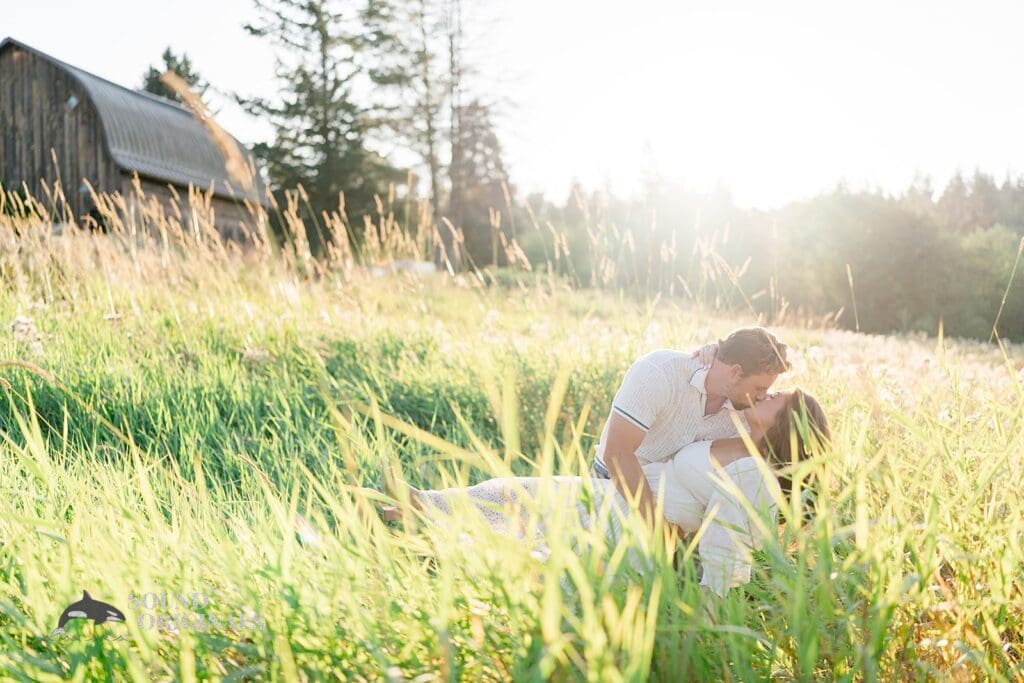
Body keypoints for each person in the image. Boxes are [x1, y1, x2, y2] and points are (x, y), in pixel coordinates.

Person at [386, 389, 830, 598]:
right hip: (616, 495)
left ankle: (427, 545)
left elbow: (725, 552)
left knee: (535, 557)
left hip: (635, 529)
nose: (768, 393)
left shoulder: (755, 476)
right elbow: (703, 390)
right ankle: (419, 505)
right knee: (517, 492)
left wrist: (708, 614)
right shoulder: (732, 425)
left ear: (786, 423)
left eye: (779, 399)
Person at [593, 327, 790, 534]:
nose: (762, 396)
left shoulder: (745, 412)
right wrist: (658, 529)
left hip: (676, 510)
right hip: (614, 484)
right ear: (734, 372)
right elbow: (617, 454)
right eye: (759, 388)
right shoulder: (659, 372)